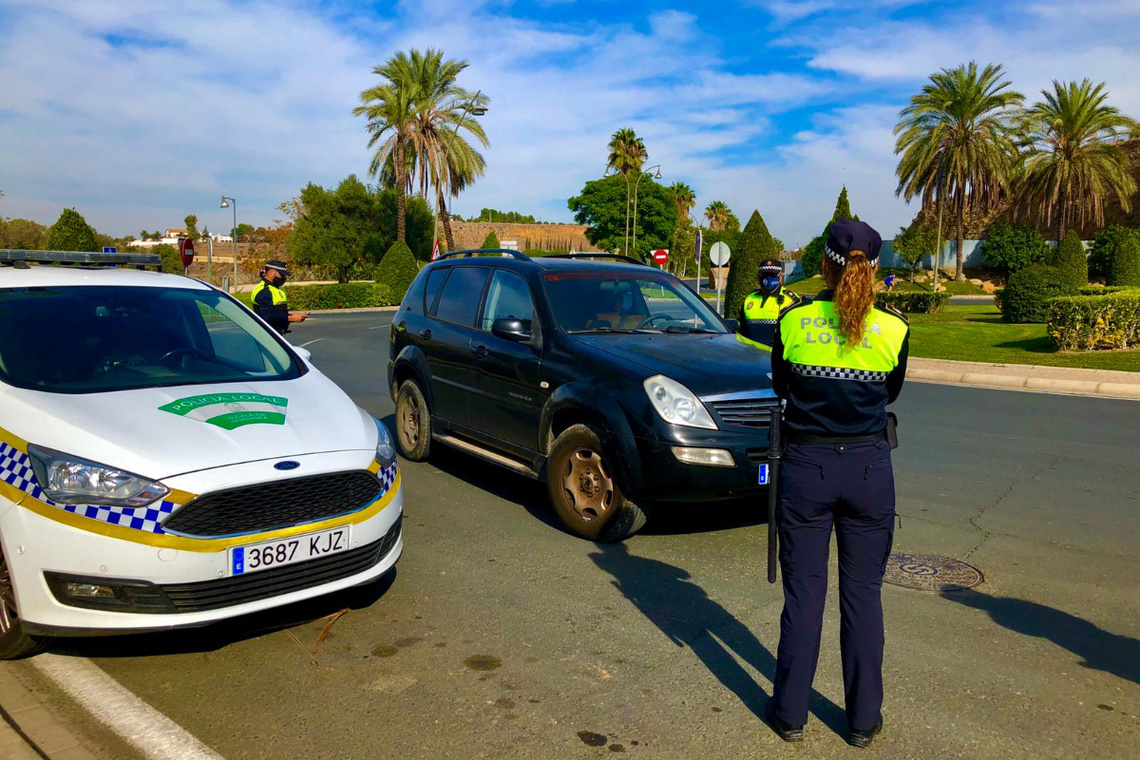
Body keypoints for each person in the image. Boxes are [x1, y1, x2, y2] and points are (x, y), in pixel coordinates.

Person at [766, 219, 909, 749]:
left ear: (825, 263)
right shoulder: (894, 328)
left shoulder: (794, 320)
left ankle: (790, 713)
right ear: (873, 270)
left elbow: (781, 383)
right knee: (863, 596)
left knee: (804, 595)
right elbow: (890, 394)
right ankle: (863, 720)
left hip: (806, 467)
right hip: (870, 469)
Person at [737, 258, 801, 349]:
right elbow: (741, 332)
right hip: (750, 358)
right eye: (765, 274)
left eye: (773, 274)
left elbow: (796, 336)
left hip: (776, 361)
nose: (768, 278)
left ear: (780, 277)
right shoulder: (750, 298)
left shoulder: (791, 300)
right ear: (758, 276)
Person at [251, 260, 307, 335]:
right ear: (272, 272)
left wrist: (292, 316)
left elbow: (277, 313)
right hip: (267, 334)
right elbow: (268, 317)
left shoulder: (275, 289)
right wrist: (291, 318)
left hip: (277, 333)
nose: (284, 278)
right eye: (282, 275)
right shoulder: (264, 291)